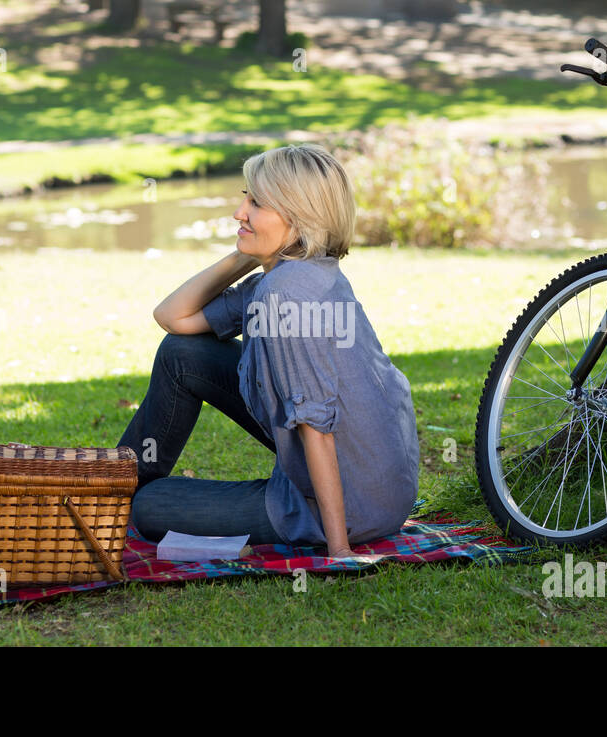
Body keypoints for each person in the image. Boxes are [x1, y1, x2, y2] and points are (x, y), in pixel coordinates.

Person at [118, 143, 420, 557]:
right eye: (247, 197)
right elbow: (173, 318)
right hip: (381, 487)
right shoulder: (291, 276)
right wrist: (248, 252)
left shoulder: (285, 296)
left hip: (348, 506)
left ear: (299, 220)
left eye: (256, 204)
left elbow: (316, 422)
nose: (240, 212)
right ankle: (112, 486)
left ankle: (117, 498)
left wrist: (339, 548)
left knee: (147, 508)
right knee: (181, 353)